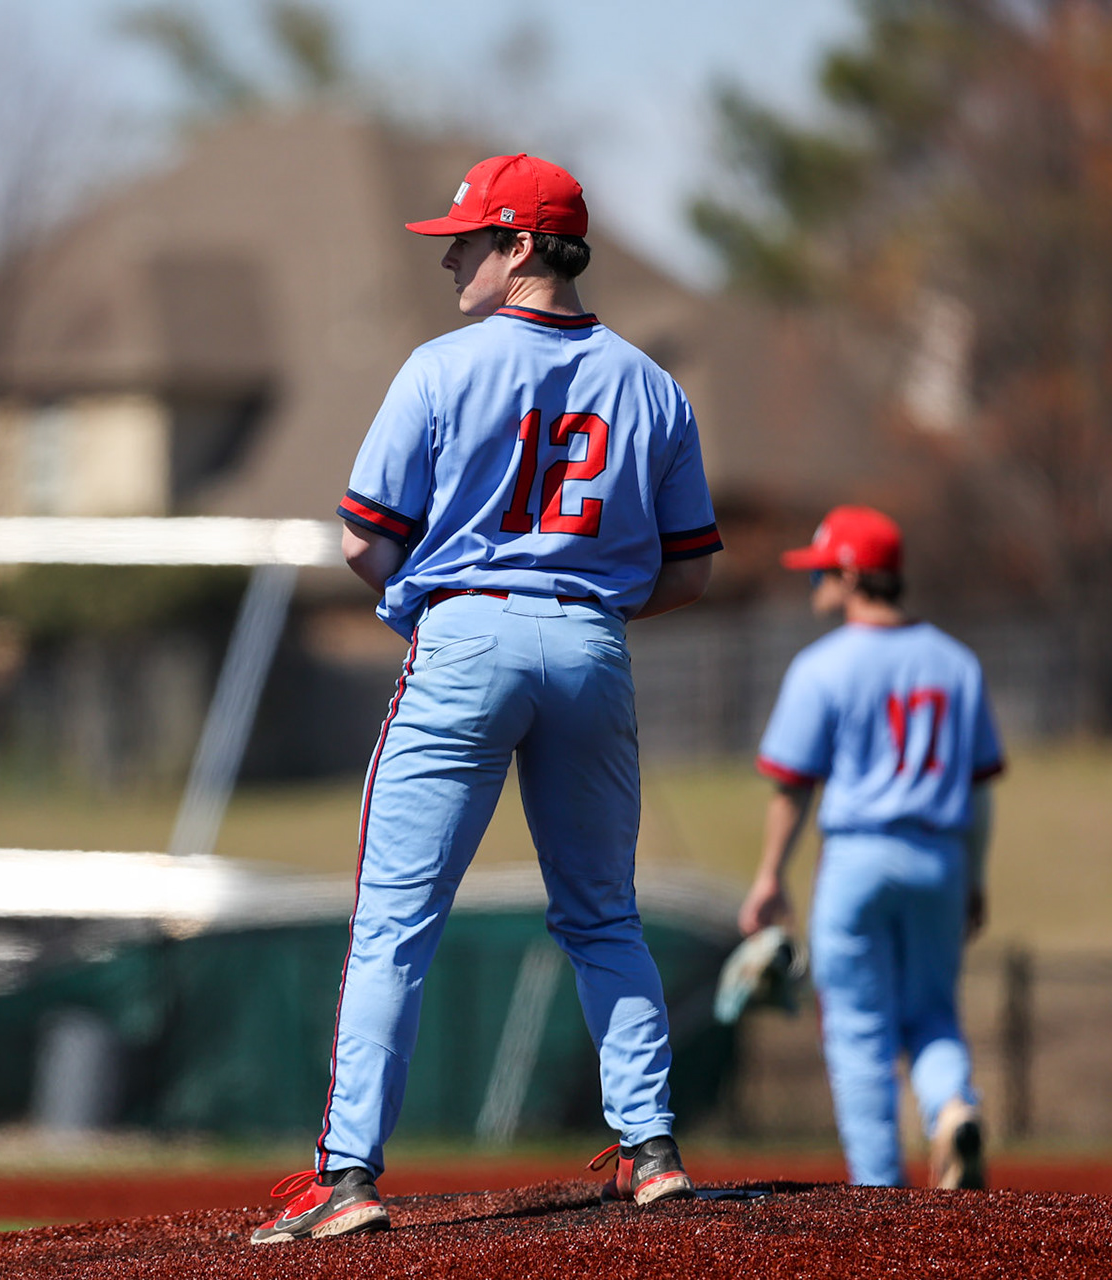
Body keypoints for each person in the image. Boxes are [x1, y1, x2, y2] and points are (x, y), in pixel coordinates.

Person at [252, 153, 722, 1245]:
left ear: (520, 247)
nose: (451, 254)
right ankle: (652, 1150)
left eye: (466, 237)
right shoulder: (652, 384)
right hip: (594, 643)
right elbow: (693, 569)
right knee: (605, 913)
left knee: (392, 927)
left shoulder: (438, 367)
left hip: (465, 636)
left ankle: (348, 1173)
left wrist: (434, 601)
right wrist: (584, 608)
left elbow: (365, 537)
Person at [738, 505, 1004, 1190]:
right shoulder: (957, 663)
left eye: (822, 570)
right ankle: (952, 1109)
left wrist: (770, 875)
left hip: (857, 860)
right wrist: (972, 877)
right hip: (939, 857)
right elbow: (979, 794)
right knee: (933, 1013)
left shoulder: (822, 667)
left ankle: (880, 1195)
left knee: (858, 1033)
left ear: (853, 574)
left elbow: (792, 786)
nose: (814, 583)